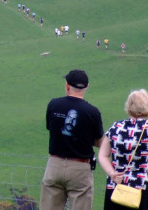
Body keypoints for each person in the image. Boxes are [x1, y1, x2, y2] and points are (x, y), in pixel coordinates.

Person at [98, 89, 148, 210]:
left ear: (129, 106)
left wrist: (112, 173)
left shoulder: (116, 127)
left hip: (115, 187)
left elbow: (102, 155)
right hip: (140, 187)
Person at [40, 69, 103, 210]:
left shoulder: (53, 105)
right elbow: (99, 142)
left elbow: (52, 128)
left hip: (54, 165)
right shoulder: (92, 112)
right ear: (87, 87)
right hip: (80, 167)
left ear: (67, 85)